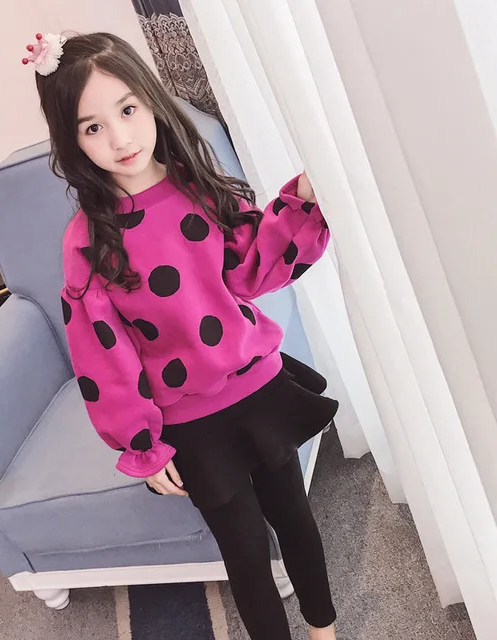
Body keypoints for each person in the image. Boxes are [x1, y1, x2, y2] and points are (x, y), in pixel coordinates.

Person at [26, 30, 339, 640]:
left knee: (296, 520)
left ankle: (325, 631)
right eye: (92, 127)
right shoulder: (86, 241)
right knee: (246, 556)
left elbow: (253, 269)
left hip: (258, 387)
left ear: (150, 100)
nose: (120, 139)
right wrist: (141, 443)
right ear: (71, 139)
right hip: (192, 422)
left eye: (127, 110)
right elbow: (103, 356)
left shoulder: (198, 186)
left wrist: (303, 198)